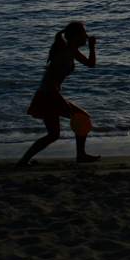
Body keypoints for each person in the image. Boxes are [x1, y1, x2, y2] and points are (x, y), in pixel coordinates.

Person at [17, 21, 101, 166]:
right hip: (49, 95)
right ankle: (80, 155)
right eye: (83, 34)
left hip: (48, 94)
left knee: (53, 134)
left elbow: (91, 64)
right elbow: (50, 81)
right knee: (82, 118)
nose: (86, 36)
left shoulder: (72, 50)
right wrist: (60, 101)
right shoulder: (64, 54)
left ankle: (23, 161)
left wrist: (92, 48)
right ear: (75, 36)